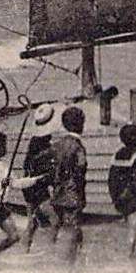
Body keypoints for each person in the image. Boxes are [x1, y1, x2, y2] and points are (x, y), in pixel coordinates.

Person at [0, 129, 40, 271]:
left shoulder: (4, 165)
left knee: (14, 236)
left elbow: (16, 183)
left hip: (2, 206)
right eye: (2, 146)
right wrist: (0, 185)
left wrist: (36, 180)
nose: (5, 148)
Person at [47, 106, 88, 264]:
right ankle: (71, 265)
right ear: (81, 124)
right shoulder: (78, 147)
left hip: (57, 192)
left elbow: (50, 169)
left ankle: (56, 259)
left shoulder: (56, 145)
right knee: (72, 228)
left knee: (59, 228)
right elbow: (80, 169)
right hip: (73, 194)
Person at [21, 106, 59, 251]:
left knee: (31, 221)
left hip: (28, 186)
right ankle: (50, 249)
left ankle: (25, 249)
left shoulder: (34, 143)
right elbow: (47, 171)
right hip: (38, 188)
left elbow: (28, 166)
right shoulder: (46, 147)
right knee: (54, 221)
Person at [108, 123, 136, 256]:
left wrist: (115, 197)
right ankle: (128, 254)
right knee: (134, 226)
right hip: (132, 196)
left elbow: (111, 179)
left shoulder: (116, 155)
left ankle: (130, 251)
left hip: (118, 195)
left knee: (134, 226)